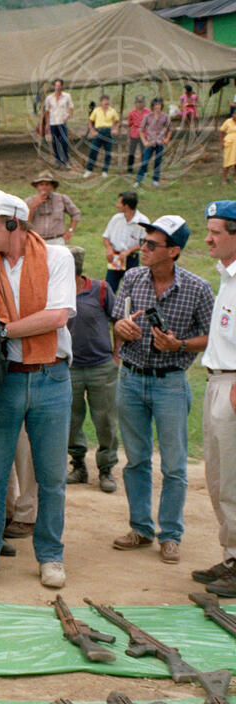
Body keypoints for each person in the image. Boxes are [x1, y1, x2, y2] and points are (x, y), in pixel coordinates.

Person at [0, 189, 76, 589]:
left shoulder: (58, 257)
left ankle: (50, 555)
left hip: (50, 375)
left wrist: (2, 330)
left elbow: (57, 316)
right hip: (4, 376)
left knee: (50, 477)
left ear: (13, 222)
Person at [111, 215, 212, 564]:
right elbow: (117, 320)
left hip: (170, 382)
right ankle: (140, 528)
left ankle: (170, 535)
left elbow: (213, 338)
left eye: (152, 245)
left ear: (174, 251)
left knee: (174, 465)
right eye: (144, 242)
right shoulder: (132, 278)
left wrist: (179, 345)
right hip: (131, 379)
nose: (143, 249)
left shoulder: (198, 288)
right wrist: (121, 329)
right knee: (136, 460)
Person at [193, 200, 236, 595]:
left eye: (216, 232)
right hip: (217, 380)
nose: (208, 238)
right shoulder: (227, 276)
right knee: (219, 475)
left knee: (233, 478)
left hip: (234, 383)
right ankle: (231, 556)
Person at [64, 244, 120, 493]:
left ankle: (106, 469)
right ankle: (79, 466)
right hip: (70, 368)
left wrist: (116, 356)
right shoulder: (56, 292)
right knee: (70, 422)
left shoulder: (101, 289)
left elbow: (118, 321)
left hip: (101, 367)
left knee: (105, 421)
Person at [102, 191, 146, 292]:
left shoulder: (142, 221)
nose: (117, 205)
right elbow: (106, 237)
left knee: (130, 291)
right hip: (116, 258)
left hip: (131, 260)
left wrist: (128, 251)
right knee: (109, 288)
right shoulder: (116, 218)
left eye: (119, 203)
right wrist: (109, 249)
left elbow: (145, 243)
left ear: (126, 206)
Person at [25, 171, 80, 245]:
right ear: (37, 187)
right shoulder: (29, 201)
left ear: (52, 186)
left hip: (57, 239)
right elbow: (24, 221)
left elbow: (76, 214)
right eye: (41, 184)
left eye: (47, 184)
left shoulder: (61, 199)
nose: (44, 187)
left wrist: (70, 230)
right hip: (37, 240)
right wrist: (33, 206)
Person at [137, 98, 171, 187]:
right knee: (145, 161)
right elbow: (141, 130)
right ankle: (138, 180)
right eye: (155, 105)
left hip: (160, 142)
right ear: (152, 106)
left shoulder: (165, 117)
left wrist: (167, 139)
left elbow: (170, 129)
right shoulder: (147, 117)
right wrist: (144, 141)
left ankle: (155, 180)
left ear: (161, 106)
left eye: (159, 104)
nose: (157, 106)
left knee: (158, 162)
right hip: (150, 142)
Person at [84, 94, 119, 177]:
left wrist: (115, 129)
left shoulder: (112, 111)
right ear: (101, 102)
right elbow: (90, 121)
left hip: (108, 132)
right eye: (104, 100)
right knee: (93, 151)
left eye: (107, 100)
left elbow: (117, 121)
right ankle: (89, 170)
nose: (106, 102)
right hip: (98, 132)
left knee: (108, 153)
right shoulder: (96, 110)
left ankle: (105, 171)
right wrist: (92, 130)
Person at [44, 78, 73, 168]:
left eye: (59, 86)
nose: (57, 87)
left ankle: (65, 160)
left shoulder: (67, 96)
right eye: (56, 86)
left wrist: (68, 117)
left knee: (64, 141)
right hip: (53, 123)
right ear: (54, 86)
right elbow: (47, 111)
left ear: (62, 86)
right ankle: (57, 160)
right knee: (55, 142)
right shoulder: (49, 98)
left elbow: (71, 108)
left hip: (62, 122)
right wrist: (47, 124)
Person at [126, 95, 150, 175]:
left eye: (141, 102)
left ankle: (144, 170)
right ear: (135, 103)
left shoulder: (148, 112)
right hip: (134, 134)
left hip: (144, 134)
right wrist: (128, 137)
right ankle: (129, 170)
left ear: (144, 103)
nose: (139, 104)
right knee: (131, 152)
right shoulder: (131, 113)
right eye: (138, 102)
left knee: (144, 153)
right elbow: (129, 125)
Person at [221, 110, 236, 185]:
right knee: (227, 162)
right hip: (229, 144)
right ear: (233, 114)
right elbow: (221, 131)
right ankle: (224, 179)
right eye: (235, 114)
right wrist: (222, 142)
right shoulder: (228, 121)